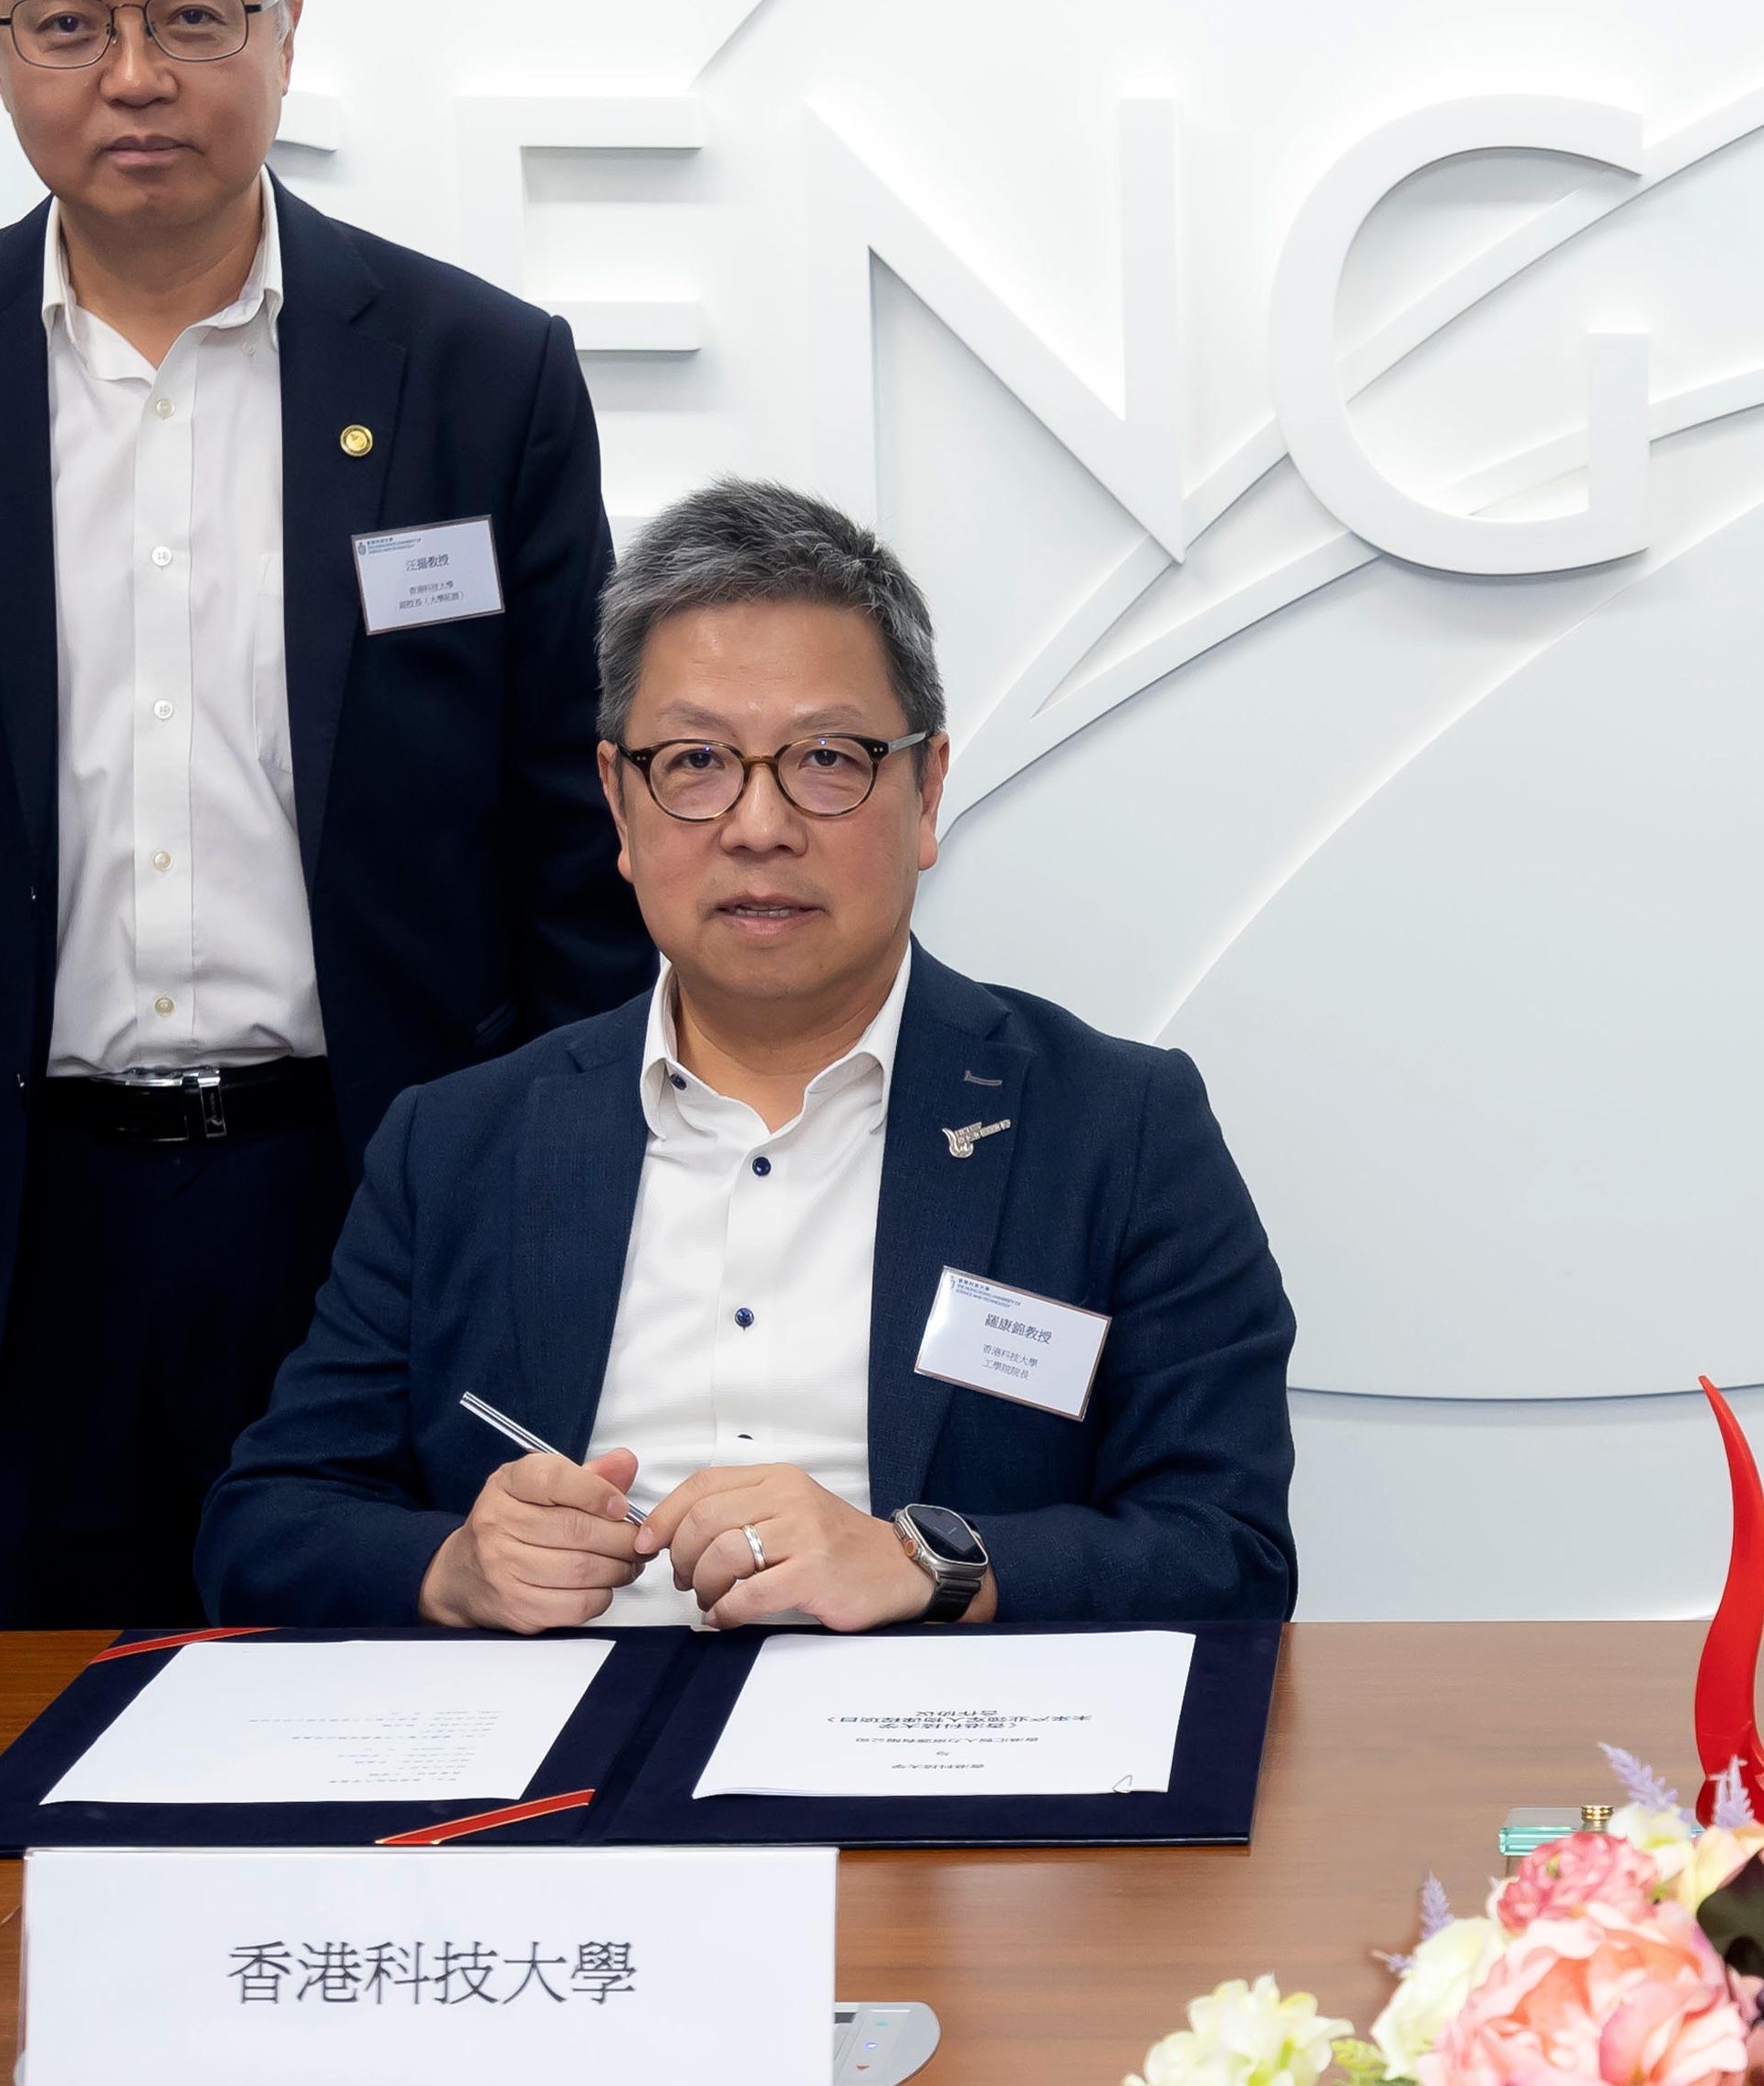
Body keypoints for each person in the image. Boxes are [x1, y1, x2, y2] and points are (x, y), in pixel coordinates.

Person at [0, 0, 642, 1629]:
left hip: (377, 1190)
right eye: (64, 20)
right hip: (8, 1209)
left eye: (192, 12)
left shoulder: (479, 374)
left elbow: (570, 824)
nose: (132, 72)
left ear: (285, 28)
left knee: (403, 1731)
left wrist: (582, 1203)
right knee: (62, 1752)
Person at [199, 481, 1298, 1632]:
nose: (759, 825)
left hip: (927, 1767)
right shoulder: (459, 1141)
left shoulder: (1117, 1128)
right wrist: (452, 1569)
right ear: (619, 808)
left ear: (925, 793)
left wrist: (930, 1565)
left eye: (827, 757)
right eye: (696, 762)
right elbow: (266, 1522)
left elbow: (1228, 1550)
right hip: (555, 1765)